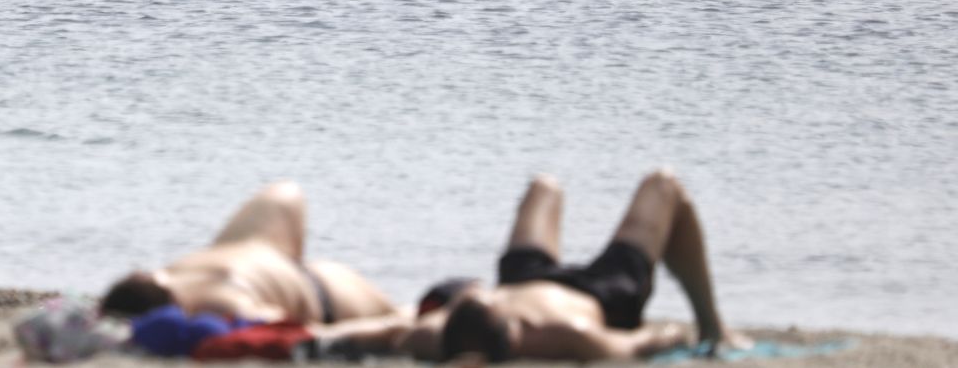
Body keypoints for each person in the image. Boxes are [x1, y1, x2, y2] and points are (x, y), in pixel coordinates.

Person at [403, 169, 748, 363]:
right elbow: (636, 346)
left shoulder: (429, 336)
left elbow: (374, 330)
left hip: (524, 278)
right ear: (514, 333)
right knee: (664, 185)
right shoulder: (569, 334)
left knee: (544, 186)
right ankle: (714, 326)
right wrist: (672, 335)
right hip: (603, 293)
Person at [99, 181, 399, 327]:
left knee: (285, 191)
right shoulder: (211, 299)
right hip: (325, 290)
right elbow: (293, 330)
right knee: (401, 318)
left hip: (263, 253)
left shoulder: (185, 288)